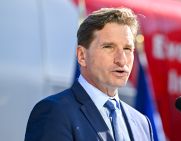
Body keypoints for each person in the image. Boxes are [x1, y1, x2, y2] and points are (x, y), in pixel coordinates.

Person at [25, 7, 154, 141]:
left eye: (127, 49)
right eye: (109, 47)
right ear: (82, 56)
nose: (121, 60)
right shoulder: (54, 112)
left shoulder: (142, 123)